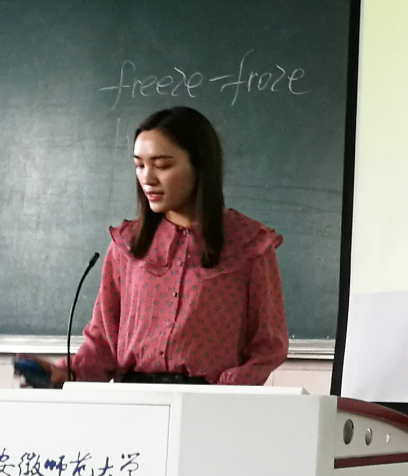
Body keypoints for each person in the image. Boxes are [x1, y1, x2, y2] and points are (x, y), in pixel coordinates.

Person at [19, 106, 287, 386]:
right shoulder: (128, 245)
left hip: (209, 401)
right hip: (133, 400)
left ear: (200, 165)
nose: (147, 178)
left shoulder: (249, 244)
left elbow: (268, 346)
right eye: (139, 165)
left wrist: (226, 391)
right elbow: (103, 343)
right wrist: (65, 372)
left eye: (161, 166)